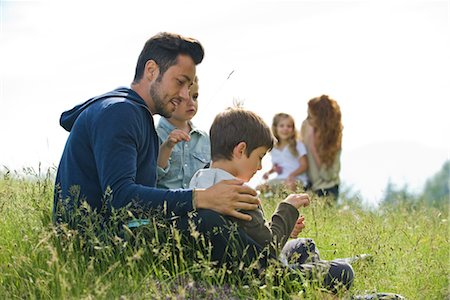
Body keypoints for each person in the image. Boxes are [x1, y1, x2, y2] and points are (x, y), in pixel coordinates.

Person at [53, 32, 262, 265]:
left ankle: (273, 260)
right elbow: (120, 197)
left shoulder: (138, 117)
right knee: (207, 221)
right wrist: (200, 198)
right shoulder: (119, 112)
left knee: (215, 217)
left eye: (190, 86)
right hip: (93, 243)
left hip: (120, 232)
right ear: (151, 70)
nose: (184, 95)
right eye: (180, 82)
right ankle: (279, 274)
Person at [190, 107, 354, 292]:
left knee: (303, 245)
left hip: (232, 268)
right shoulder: (238, 194)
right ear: (241, 150)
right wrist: (287, 208)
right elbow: (269, 248)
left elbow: (246, 238)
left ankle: (311, 291)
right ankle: (312, 291)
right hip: (261, 277)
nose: (260, 167)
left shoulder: (198, 183)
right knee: (343, 270)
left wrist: (287, 229)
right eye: (259, 157)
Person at [156, 76, 211, 189]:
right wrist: (167, 147)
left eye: (195, 97)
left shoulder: (204, 138)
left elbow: (210, 174)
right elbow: (152, 176)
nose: (191, 103)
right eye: (182, 99)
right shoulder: (155, 134)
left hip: (198, 203)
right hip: (167, 203)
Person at [300, 95, 343, 201]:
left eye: (311, 117)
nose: (308, 119)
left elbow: (327, 175)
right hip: (308, 186)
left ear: (321, 119)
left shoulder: (333, 139)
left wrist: (313, 148)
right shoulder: (306, 126)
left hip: (327, 189)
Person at [262, 113, 309, 191]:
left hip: (297, 179)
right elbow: (276, 166)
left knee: (289, 185)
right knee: (260, 188)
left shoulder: (297, 145)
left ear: (293, 129)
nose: (285, 129)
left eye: (289, 126)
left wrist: (292, 175)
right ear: (275, 128)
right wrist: (269, 172)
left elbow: (304, 165)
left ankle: (289, 200)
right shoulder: (273, 148)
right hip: (281, 179)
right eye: (281, 126)